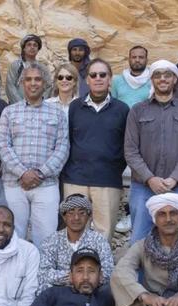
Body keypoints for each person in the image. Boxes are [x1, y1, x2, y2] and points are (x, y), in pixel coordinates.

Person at [124, 60, 178, 244]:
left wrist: (174, 178)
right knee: (139, 241)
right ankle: (140, 274)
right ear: (152, 80)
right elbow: (130, 150)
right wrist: (150, 179)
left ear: (175, 79)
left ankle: (174, 274)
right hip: (143, 187)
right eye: (157, 75)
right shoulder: (137, 111)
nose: (163, 79)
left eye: (167, 75)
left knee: (176, 241)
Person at [0, 62, 69, 247]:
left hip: (46, 184)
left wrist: (39, 174)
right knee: (13, 236)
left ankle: (42, 275)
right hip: (14, 184)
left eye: (37, 79)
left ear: (45, 83)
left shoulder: (57, 113)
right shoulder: (9, 112)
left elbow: (62, 148)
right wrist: (23, 173)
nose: (33, 83)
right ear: (22, 83)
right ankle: (15, 276)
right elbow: (3, 146)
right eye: (28, 79)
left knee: (46, 238)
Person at [61, 59, 129, 242]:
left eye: (102, 75)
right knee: (74, 231)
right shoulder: (75, 107)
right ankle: (73, 270)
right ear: (87, 80)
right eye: (93, 75)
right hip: (75, 179)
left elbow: (127, 146)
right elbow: (67, 140)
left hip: (107, 180)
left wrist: (114, 169)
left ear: (110, 80)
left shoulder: (122, 110)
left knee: (104, 233)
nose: (98, 78)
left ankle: (101, 270)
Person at [38, 194, 114, 292]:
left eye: (82, 213)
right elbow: (43, 273)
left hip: (91, 290)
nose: (76, 217)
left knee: (108, 290)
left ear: (89, 217)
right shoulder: (51, 241)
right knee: (43, 289)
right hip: (61, 290)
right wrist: (72, 277)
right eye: (71, 213)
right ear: (64, 217)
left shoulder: (99, 240)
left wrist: (82, 278)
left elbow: (108, 272)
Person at [6, 34, 51, 104]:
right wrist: (21, 104)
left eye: (35, 45)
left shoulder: (43, 68)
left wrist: (39, 102)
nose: (32, 47)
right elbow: (10, 87)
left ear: (38, 49)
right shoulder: (16, 66)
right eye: (29, 45)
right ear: (24, 48)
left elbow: (48, 87)